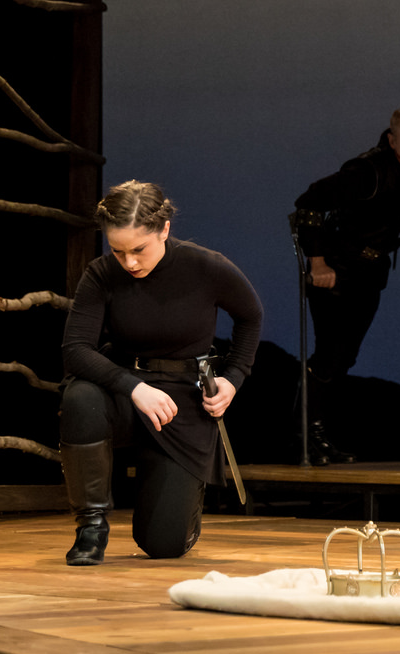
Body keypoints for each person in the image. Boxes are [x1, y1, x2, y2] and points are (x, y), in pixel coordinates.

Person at [58, 181, 263, 565]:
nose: (129, 263)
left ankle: (179, 506)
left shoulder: (206, 266)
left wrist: (234, 378)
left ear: (164, 229)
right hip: (125, 393)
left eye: (139, 250)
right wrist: (134, 387)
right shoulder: (101, 273)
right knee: (80, 396)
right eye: (118, 251)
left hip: (181, 400)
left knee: (163, 545)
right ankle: (91, 526)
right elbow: (76, 350)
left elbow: (251, 317)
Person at [293, 107, 400, 463]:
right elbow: (308, 204)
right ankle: (304, 438)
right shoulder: (366, 171)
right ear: (392, 140)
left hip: (370, 271)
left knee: (345, 356)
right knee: (330, 353)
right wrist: (318, 264)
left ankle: (314, 434)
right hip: (334, 268)